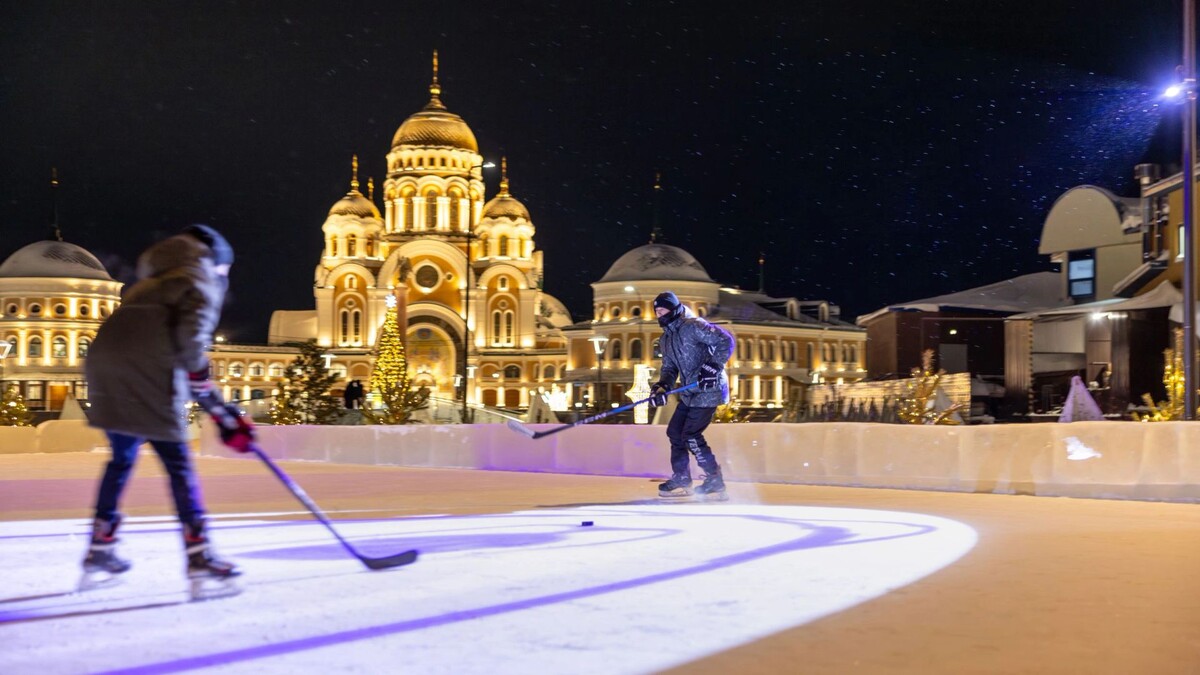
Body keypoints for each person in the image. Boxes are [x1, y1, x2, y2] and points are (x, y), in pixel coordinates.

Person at [83, 225, 255, 599]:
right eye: (225, 271)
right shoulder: (200, 279)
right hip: (146, 373)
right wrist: (221, 410)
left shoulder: (151, 284)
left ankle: (99, 547)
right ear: (213, 261)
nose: (224, 279)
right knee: (178, 464)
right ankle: (199, 555)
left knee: (122, 458)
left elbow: (167, 348)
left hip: (104, 369)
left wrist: (214, 406)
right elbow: (190, 348)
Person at [648, 291, 735, 501]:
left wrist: (713, 366)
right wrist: (663, 386)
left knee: (691, 435)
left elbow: (725, 340)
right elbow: (669, 368)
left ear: (674, 308)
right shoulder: (666, 338)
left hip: (709, 388)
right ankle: (681, 479)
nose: (660, 314)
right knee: (675, 432)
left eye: (663, 310)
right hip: (689, 391)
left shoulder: (693, 326)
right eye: (657, 311)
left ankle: (715, 481)